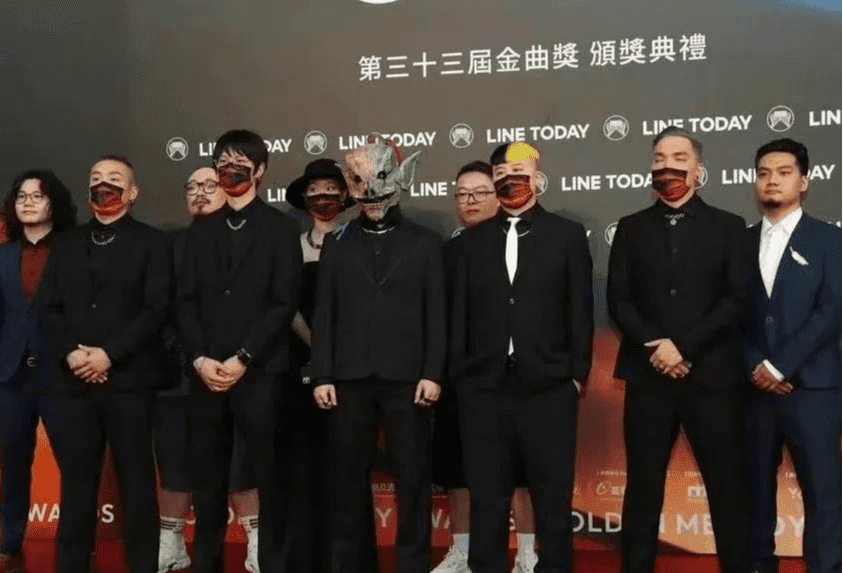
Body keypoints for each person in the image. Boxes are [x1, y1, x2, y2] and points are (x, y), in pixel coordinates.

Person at [607, 126, 751, 573]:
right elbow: (619, 300)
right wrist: (657, 347)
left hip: (711, 376)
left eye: (678, 157)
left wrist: (683, 347)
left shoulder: (729, 226)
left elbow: (736, 299)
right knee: (643, 487)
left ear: (698, 169)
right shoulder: (630, 228)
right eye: (659, 158)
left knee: (726, 487)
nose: (667, 166)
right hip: (648, 377)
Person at [449, 142, 593, 573]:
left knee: (552, 497)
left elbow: (580, 311)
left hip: (550, 389)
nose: (510, 179)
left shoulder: (567, 236)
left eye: (519, 171)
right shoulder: (467, 244)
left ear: (537, 177)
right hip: (483, 390)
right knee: (487, 498)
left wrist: (576, 376)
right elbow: (457, 317)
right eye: (502, 173)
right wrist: (462, 377)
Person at [311, 136, 446, 573]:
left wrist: (433, 372)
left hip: (409, 379)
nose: (370, 194)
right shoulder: (337, 243)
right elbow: (325, 314)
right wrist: (322, 374)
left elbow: (436, 313)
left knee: (414, 481)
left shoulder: (427, 243)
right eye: (360, 183)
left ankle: (413, 566)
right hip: (349, 380)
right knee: (348, 483)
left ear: (400, 180)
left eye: (379, 181)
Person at [177, 129, 302, 573]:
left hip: (260, 372)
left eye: (240, 163)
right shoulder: (199, 232)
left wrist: (243, 357)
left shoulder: (282, 228)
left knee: (268, 475)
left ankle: (272, 562)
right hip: (206, 372)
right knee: (208, 481)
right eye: (223, 162)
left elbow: (283, 301)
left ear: (260, 170)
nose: (230, 170)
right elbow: (185, 301)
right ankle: (206, 562)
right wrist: (199, 359)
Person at [41, 155, 170, 573]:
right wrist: (72, 353)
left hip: (130, 382)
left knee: (137, 485)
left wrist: (109, 354)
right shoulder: (66, 244)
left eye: (114, 179)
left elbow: (156, 309)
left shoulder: (154, 242)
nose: (104, 185)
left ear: (132, 193)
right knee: (77, 485)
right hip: (75, 384)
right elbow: (49, 307)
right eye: (96, 178)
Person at [432, 160, 538, 573]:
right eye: (462, 194)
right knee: (457, 468)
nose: (470, 201)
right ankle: (461, 552)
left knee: (520, 470)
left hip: (512, 377)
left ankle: (527, 553)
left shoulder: (522, 245)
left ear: (499, 196)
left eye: (479, 193)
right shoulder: (446, 253)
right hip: (459, 378)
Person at [742, 138, 841, 573]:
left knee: (824, 494)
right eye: (763, 173)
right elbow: (726, 315)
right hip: (752, 392)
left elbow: (833, 310)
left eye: (783, 173)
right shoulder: (738, 243)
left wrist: (781, 365)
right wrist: (754, 365)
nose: (772, 181)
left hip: (814, 389)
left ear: (804, 182)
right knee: (753, 494)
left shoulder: (830, 239)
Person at [156, 166, 261, 573]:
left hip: (237, 373)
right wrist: (193, 356)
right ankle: (172, 543)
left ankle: (256, 542)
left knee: (240, 464)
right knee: (176, 461)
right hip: (179, 374)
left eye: (209, 186)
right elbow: (156, 307)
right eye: (193, 187)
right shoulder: (168, 246)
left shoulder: (252, 240)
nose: (199, 193)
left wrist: (238, 359)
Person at [281, 158, 354, 573]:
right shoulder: (293, 246)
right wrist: (315, 344)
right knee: (301, 464)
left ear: (344, 195)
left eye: (330, 189)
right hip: (299, 366)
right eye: (315, 190)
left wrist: (337, 354)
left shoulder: (357, 241)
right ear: (304, 198)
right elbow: (285, 304)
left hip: (351, 368)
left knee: (344, 466)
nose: (323, 196)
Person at [0, 170, 76, 567]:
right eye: (21, 196)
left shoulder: (74, 251)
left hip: (61, 374)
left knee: (75, 464)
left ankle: (75, 544)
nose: (28, 202)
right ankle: (10, 540)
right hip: (11, 376)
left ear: (54, 203)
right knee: (13, 465)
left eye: (37, 195)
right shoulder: (2, 255)